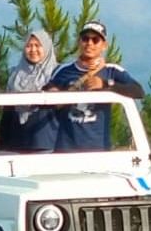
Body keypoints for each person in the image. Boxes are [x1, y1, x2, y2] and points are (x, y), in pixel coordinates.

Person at [46, 20, 144, 152]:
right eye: (85, 39)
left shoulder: (112, 71)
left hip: (99, 150)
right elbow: (45, 95)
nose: (89, 44)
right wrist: (54, 93)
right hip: (65, 150)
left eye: (95, 40)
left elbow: (138, 91)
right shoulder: (63, 70)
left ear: (104, 45)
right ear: (79, 42)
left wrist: (105, 84)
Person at [1, 28, 59, 152]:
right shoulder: (15, 75)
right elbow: (7, 113)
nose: (33, 50)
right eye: (29, 45)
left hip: (46, 142)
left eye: (38, 46)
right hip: (16, 141)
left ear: (47, 47)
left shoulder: (56, 74)